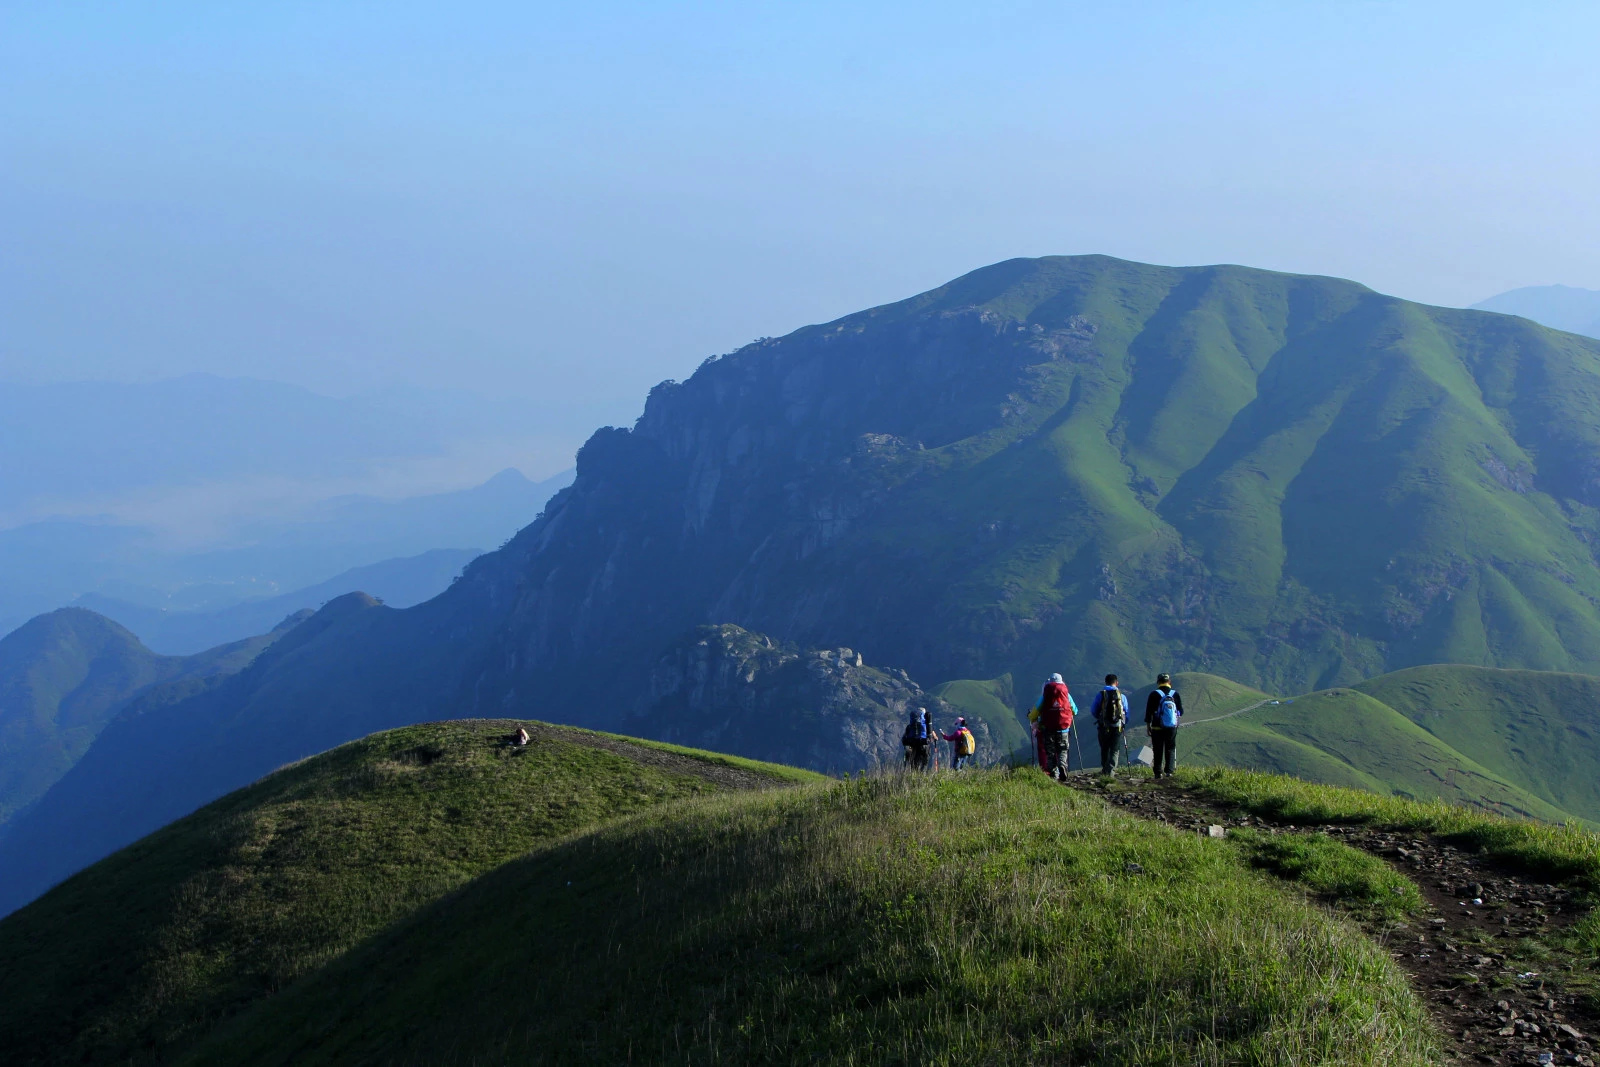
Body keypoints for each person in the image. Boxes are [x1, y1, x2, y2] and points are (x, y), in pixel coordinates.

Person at [1028, 673, 1076, 780]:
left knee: (1050, 752)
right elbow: (1075, 710)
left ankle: (1054, 774)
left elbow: (1034, 713)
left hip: (1048, 729)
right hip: (1063, 729)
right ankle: (1063, 765)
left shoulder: (1045, 696)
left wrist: (1032, 718)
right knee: (1063, 750)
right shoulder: (1066, 695)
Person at [1144, 673, 1183, 779]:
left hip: (1157, 727)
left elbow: (1149, 712)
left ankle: (1158, 772)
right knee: (1170, 747)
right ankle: (1169, 771)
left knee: (1157, 749)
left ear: (1158, 682)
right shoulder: (1175, 694)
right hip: (1171, 727)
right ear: (1169, 682)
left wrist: (1148, 726)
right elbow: (1181, 711)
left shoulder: (1154, 694)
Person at [1092, 674, 1128, 775]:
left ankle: (1104, 769)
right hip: (1117, 726)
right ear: (1117, 683)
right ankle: (1111, 771)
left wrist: (1100, 718)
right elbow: (1126, 711)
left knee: (1104, 747)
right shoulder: (1121, 696)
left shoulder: (1101, 695)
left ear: (1105, 682)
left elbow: (1094, 710)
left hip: (1104, 726)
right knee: (1115, 749)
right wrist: (1124, 723)